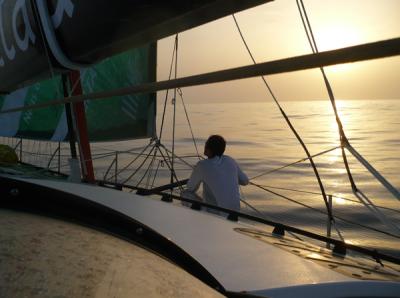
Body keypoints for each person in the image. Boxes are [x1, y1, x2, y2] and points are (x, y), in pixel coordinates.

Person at [182, 135, 248, 212]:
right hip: (235, 213)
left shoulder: (202, 165)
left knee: (185, 194)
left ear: (210, 149)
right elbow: (245, 181)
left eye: (206, 145)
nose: (205, 146)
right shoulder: (230, 160)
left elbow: (190, 188)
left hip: (217, 214)